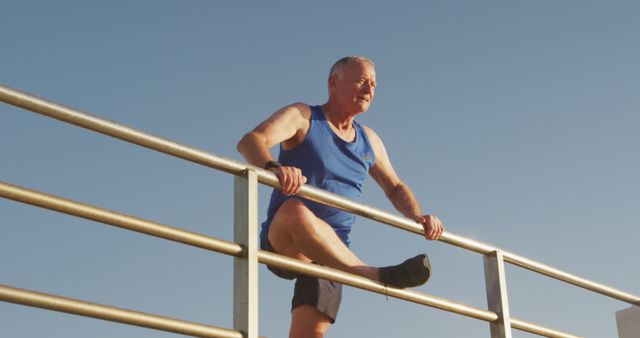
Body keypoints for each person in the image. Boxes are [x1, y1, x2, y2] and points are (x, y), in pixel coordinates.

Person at [237, 56, 445, 338]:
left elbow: (395, 187)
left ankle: (361, 273)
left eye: (373, 84)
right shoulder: (303, 117)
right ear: (333, 83)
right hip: (287, 238)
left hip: (333, 253)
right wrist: (274, 167)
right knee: (295, 210)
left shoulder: (369, 139)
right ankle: (375, 276)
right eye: (361, 81)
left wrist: (417, 216)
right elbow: (251, 141)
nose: (369, 89)